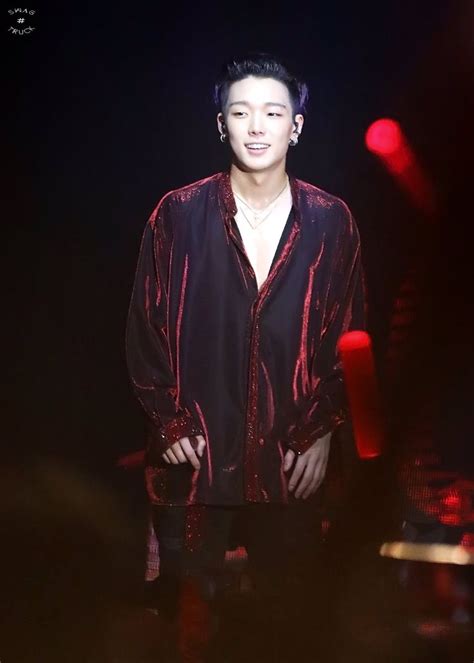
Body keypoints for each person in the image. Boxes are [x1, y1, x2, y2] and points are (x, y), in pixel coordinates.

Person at [126, 52, 366, 661]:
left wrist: (323, 429)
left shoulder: (331, 221)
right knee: (185, 631)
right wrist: (170, 422)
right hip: (195, 464)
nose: (257, 126)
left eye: (273, 112)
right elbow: (144, 328)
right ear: (221, 123)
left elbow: (350, 337)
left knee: (289, 632)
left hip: (289, 462)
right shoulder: (178, 214)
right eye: (240, 112)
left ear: (296, 126)